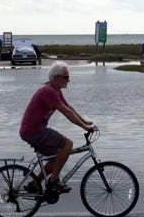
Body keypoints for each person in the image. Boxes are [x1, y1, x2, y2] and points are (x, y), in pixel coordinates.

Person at [19, 61, 95, 193]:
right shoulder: (47, 91)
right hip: (34, 131)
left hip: (34, 130)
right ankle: (54, 180)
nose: (69, 80)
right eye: (66, 77)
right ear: (56, 77)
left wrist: (86, 122)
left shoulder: (55, 90)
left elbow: (69, 108)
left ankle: (34, 183)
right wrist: (85, 127)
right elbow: (66, 112)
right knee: (68, 144)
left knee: (58, 157)